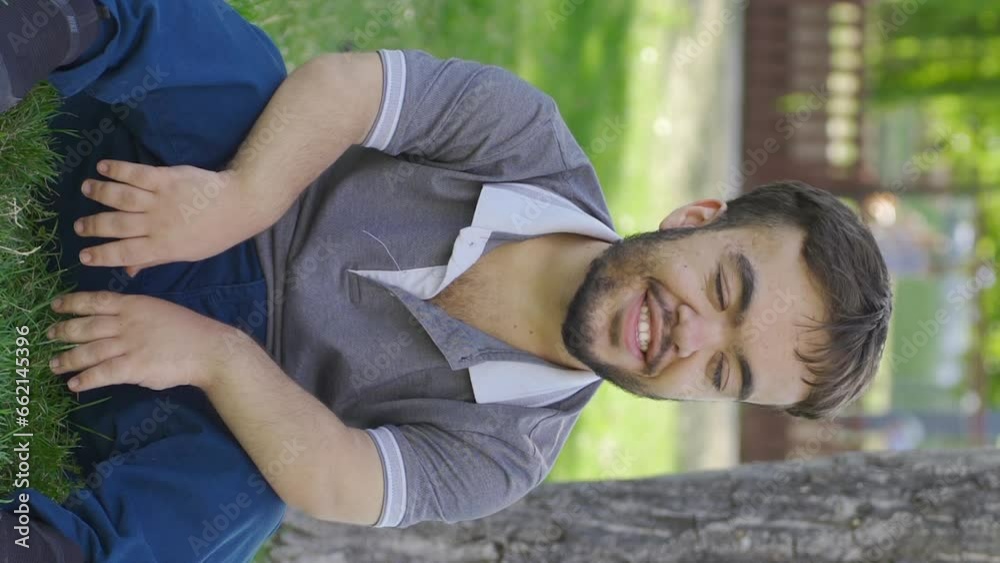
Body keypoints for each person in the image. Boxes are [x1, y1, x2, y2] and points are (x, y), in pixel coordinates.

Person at [0, 0, 894, 560]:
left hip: (160, 383)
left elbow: (342, 477)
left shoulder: (511, 452)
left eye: (727, 371)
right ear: (698, 219)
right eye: (727, 290)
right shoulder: (526, 141)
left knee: (247, 499)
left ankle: (43, 546)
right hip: (164, 187)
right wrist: (240, 197)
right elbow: (348, 89)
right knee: (239, 74)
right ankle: (43, 23)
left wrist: (219, 357)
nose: (694, 335)